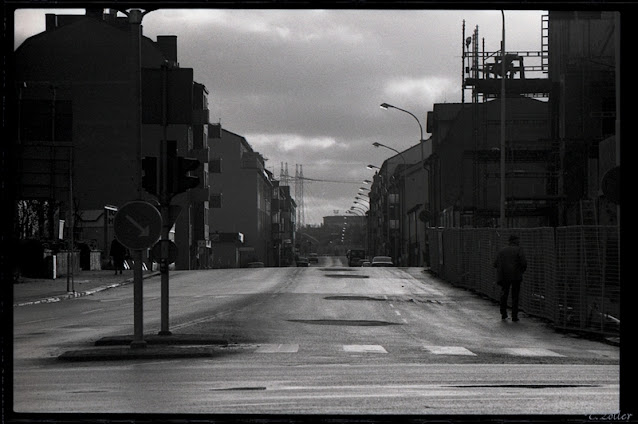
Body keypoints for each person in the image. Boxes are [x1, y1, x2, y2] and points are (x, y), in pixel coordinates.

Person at [493, 234, 527, 321]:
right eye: (518, 240)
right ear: (515, 241)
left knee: (504, 294)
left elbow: (495, 264)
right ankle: (514, 316)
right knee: (515, 295)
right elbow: (523, 263)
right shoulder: (519, 250)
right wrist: (521, 271)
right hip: (516, 276)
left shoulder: (502, 251)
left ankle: (503, 313)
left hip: (504, 276)